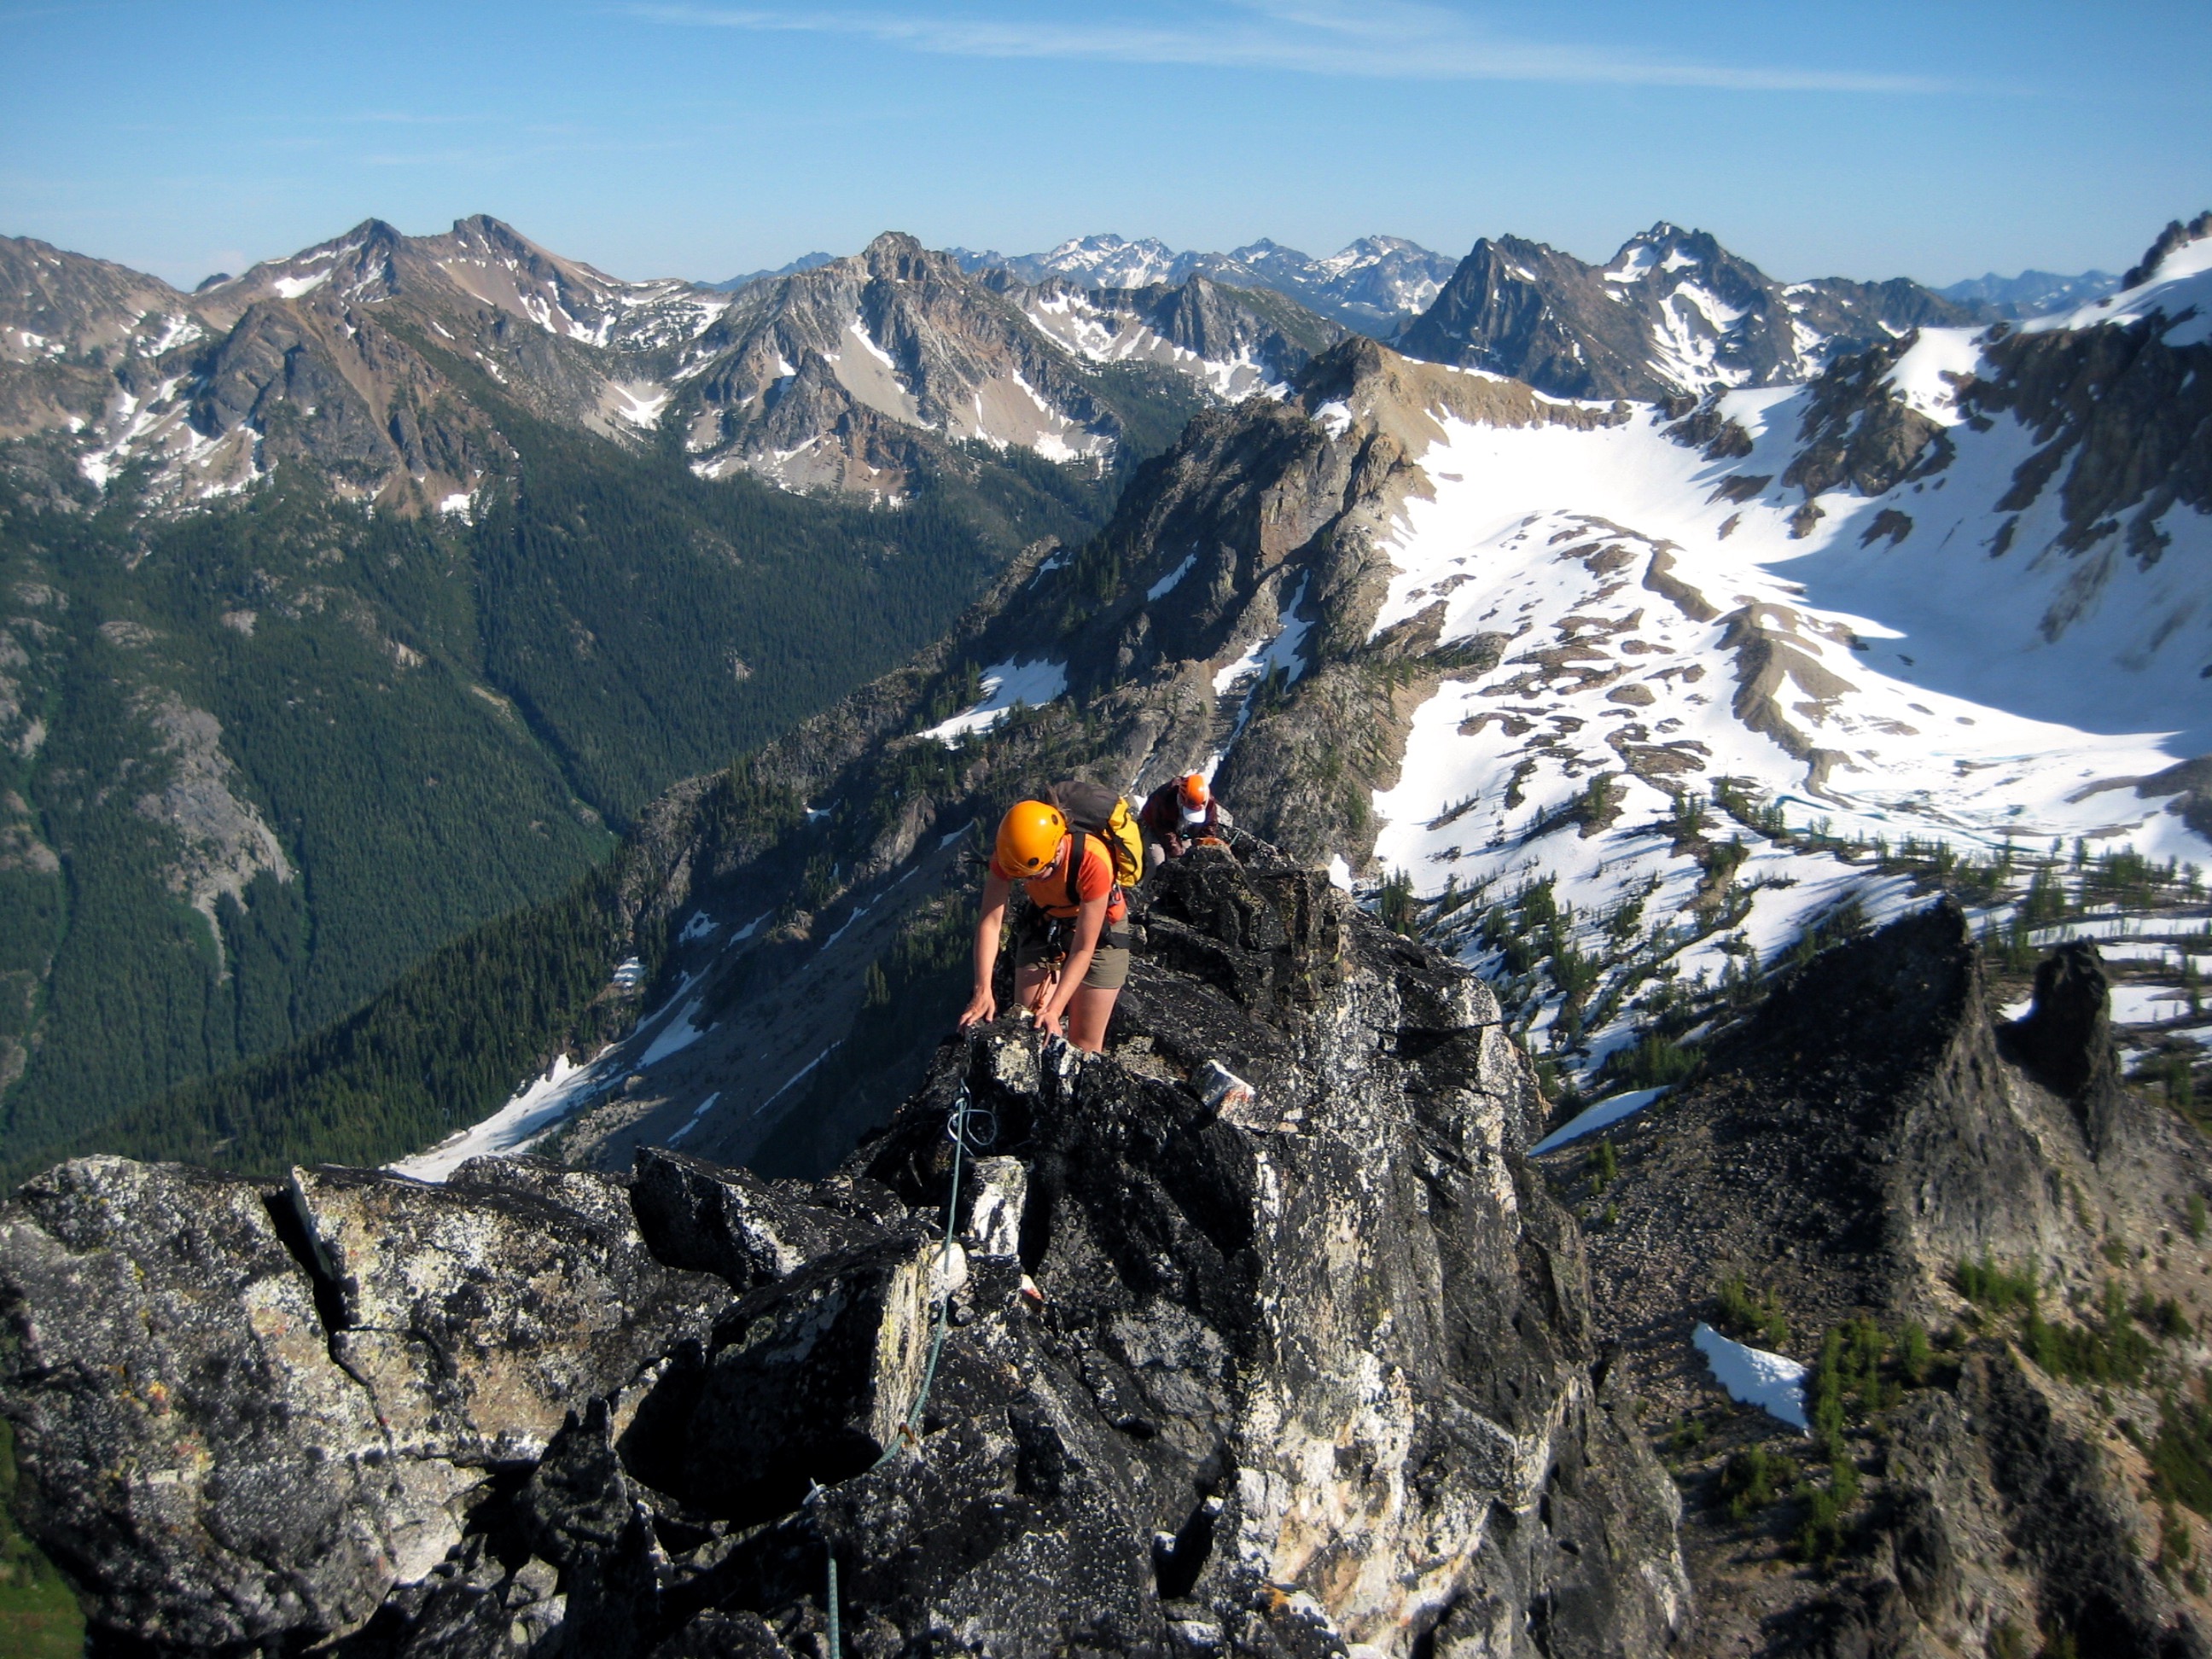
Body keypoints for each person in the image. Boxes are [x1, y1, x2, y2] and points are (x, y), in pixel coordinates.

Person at [958, 797, 1132, 1054]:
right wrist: (982, 990)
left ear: (1057, 851)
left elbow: (1084, 948)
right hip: (1045, 921)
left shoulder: (1093, 860)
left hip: (1103, 932)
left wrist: (1056, 1008)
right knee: (1030, 1027)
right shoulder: (1012, 853)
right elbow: (990, 922)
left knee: (1085, 1044)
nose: (1028, 882)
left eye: (1033, 876)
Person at [1138, 771, 1232, 867]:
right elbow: (1162, 827)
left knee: (1190, 859)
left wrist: (1204, 845)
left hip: (1181, 829)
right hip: (1153, 826)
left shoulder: (1208, 802)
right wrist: (1176, 852)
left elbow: (1209, 825)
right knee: (1157, 864)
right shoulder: (1165, 797)